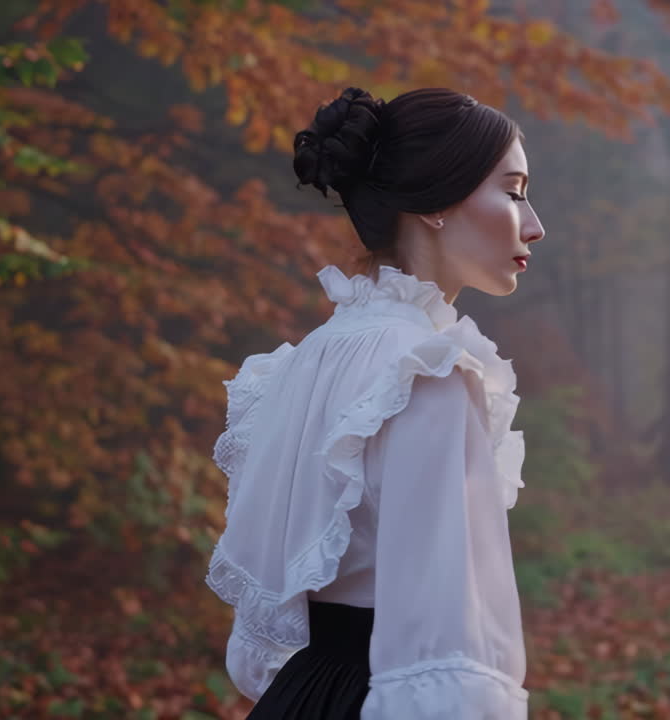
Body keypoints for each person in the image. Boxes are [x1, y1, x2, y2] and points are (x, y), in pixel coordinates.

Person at [205, 86, 546, 720]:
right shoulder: (427, 369)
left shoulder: (318, 353)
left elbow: (267, 639)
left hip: (301, 697)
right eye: (515, 190)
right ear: (440, 201)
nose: (534, 224)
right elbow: (443, 630)